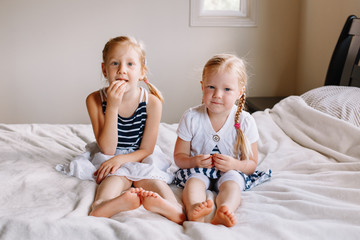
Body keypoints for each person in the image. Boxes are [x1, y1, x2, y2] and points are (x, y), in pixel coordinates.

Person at [63, 36, 184, 223]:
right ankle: (101, 205)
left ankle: (173, 208)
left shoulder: (152, 102)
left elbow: (147, 150)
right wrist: (112, 106)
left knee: (152, 179)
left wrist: (123, 159)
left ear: (142, 71)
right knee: (114, 178)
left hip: (140, 155)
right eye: (115, 63)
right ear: (104, 69)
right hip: (109, 155)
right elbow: (108, 149)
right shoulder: (94, 100)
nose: (122, 70)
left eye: (130, 64)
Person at [173, 54, 271, 227]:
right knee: (194, 183)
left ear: (240, 92)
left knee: (232, 184)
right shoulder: (191, 117)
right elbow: (179, 157)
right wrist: (194, 161)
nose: (217, 95)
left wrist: (235, 165)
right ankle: (195, 209)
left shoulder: (246, 121)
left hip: (231, 170)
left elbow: (251, 163)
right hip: (199, 169)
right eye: (211, 87)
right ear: (202, 86)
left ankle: (225, 209)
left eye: (227, 89)